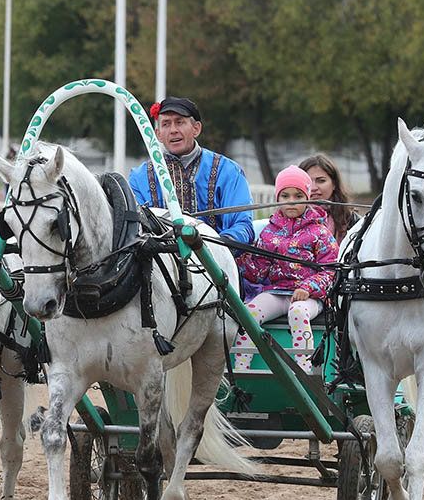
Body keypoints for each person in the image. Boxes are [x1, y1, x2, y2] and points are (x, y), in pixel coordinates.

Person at [233, 165, 338, 372]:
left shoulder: (320, 232)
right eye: (285, 195)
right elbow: (258, 272)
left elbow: (331, 271)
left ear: (308, 197)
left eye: (298, 195)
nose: (292, 200)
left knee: (297, 312)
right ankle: (241, 371)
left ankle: (304, 368)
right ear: (278, 198)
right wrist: (241, 256)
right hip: (276, 293)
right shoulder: (269, 232)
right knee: (249, 313)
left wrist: (308, 288)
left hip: (310, 298)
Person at [128, 96, 254, 244]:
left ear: (196, 129)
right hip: (158, 263)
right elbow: (134, 231)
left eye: (179, 122)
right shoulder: (139, 177)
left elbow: (242, 225)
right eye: (166, 124)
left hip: (217, 262)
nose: (173, 130)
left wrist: (220, 247)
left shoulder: (228, 171)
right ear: (158, 134)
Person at [299, 153, 358, 243]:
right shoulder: (288, 218)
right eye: (308, 182)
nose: (314, 187)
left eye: (321, 181)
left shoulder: (352, 221)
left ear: (334, 184)